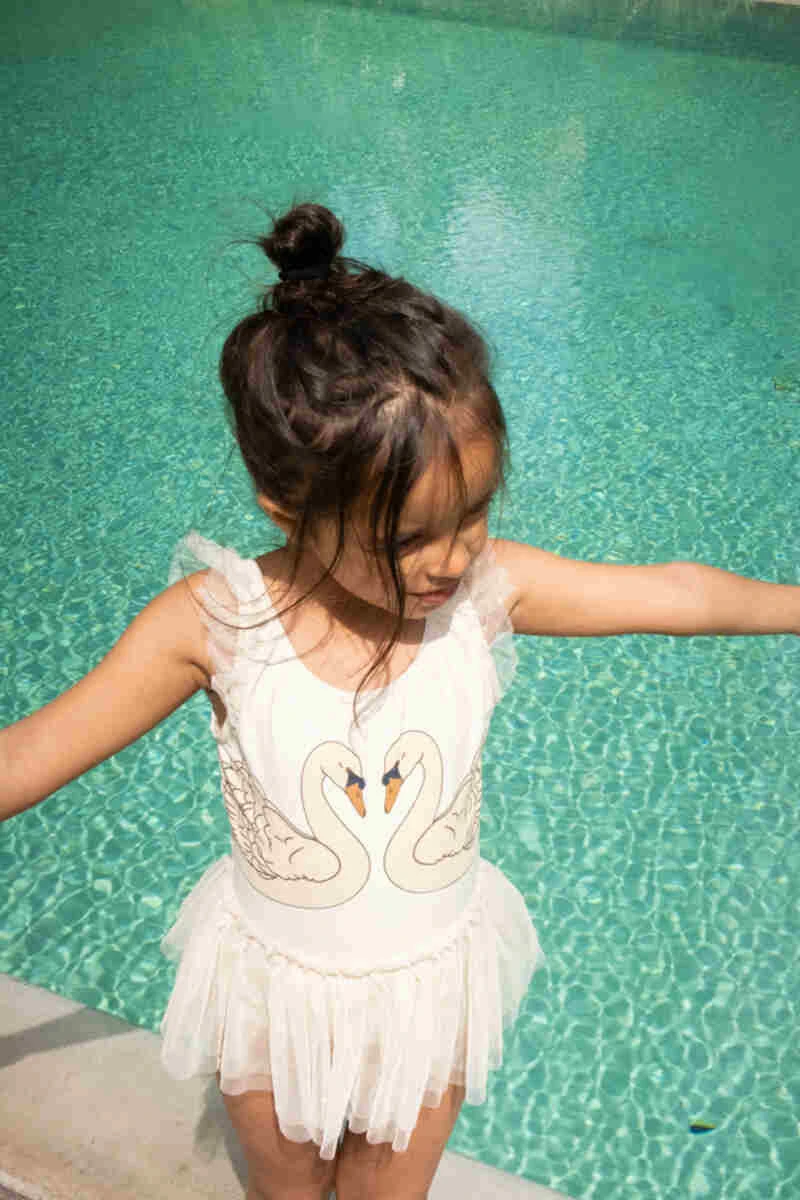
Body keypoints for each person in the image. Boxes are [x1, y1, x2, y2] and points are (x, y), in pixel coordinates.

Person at [1, 202, 798, 1200]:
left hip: (428, 988)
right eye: (410, 537)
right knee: (287, 1194)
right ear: (289, 511)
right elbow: (28, 756)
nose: (451, 559)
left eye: (474, 515)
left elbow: (676, 595)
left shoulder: (489, 591)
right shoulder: (214, 625)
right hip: (278, 997)